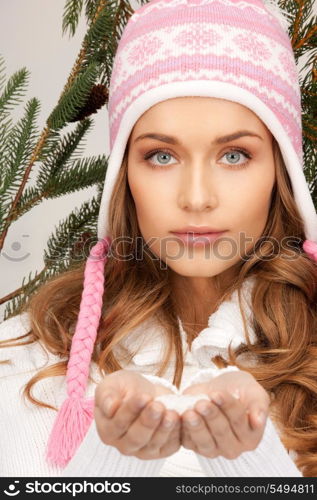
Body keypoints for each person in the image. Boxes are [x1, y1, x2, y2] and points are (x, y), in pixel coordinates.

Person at [1, 0, 317, 478]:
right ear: (123, 172)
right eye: (161, 157)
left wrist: (251, 468)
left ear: (281, 170)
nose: (196, 198)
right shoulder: (23, 359)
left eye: (234, 155)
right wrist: (116, 460)